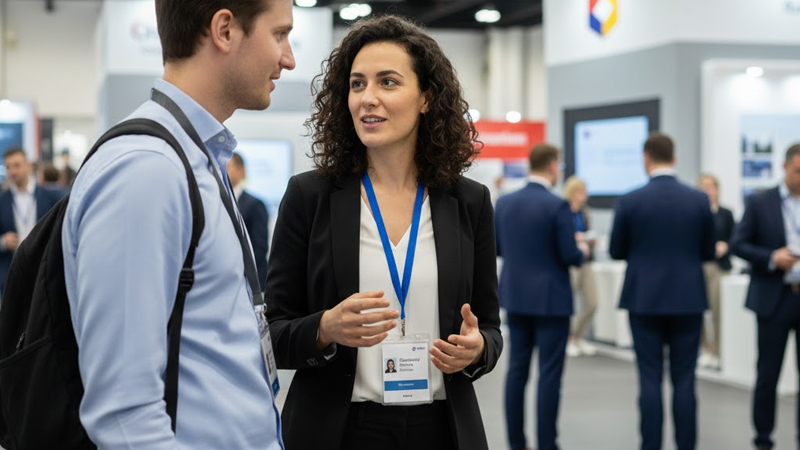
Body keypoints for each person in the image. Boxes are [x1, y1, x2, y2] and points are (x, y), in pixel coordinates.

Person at [61, 0, 295, 448]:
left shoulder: (195, 156)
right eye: (279, 34)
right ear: (225, 30)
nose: (288, 58)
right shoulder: (146, 170)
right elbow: (125, 416)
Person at [264, 15, 502, 450]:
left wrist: (478, 349)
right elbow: (273, 333)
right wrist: (325, 327)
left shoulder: (468, 202)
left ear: (426, 98)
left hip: (442, 430)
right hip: (337, 430)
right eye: (357, 84)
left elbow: (489, 327)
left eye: (387, 82)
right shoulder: (310, 196)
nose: (367, 99)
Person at [609, 132, 716, 450]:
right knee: (685, 380)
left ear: (646, 158)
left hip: (644, 299)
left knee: (650, 377)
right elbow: (708, 251)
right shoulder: (698, 199)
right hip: (688, 299)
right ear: (675, 158)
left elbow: (616, 250)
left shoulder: (630, 200)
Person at [496, 143, 586, 450]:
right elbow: (569, 254)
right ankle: (547, 443)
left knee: (516, 371)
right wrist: (582, 251)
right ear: (551, 166)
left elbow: (497, 247)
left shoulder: (505, 203)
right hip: (551, 301)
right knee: (549, 375)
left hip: (516, 297)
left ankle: (516, 443)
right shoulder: (557, 205)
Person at [731, 143, 800, 450]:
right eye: (798, 171)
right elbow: (739, 244)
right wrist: (772, 257)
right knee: (767, 374)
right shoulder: (761, 202)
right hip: (775, 297)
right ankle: (763, 438)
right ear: (785, 167)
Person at [0, 148, 62, 293]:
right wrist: (3, 242)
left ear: (28, 165)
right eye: (8, 167)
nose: (12, 171)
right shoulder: (2, 200)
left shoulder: (50, 197)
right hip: (11, 274)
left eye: (17, 165)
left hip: (44, 271)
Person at [697, 173, 735, 370]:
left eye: (711, 186)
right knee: (700, 310)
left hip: (719, 267)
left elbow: (736, 239)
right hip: (699, 266)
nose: (708, 190)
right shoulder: (695, 212)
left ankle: (717, 349)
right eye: (703, 186)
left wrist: (725, 246)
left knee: (717, 310)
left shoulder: (725, 214)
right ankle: (705, 348)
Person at [563, 175, 599, 358]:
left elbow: (585, 232)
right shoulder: (563, 209)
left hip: (586, 261)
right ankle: (569, 339)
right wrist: (576, 238)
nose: (584, 195)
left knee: (593, 302)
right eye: (581, 191)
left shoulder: (584, 211)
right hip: (571, 263)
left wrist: (590, 240)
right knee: (569, 303)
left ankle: (578, 336)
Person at [228, 151, 270, 290]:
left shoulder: (255, 204)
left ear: (240, 171)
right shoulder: (215, 202)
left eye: (227, 167)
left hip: (250, 282)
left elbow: (259, 248)